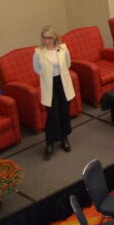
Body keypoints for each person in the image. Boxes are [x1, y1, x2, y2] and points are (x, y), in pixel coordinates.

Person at [33, 25, 75, 160]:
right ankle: (49, 143)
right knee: (52, 115)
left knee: (64, 112)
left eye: (50, 38)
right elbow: (37, 69)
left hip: (63, 84)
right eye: (44, 38)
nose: (47, 41)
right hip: (49, 85)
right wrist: (48, 75)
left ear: (55, 37)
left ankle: (64, 138)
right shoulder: (38, 52)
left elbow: (68, 64)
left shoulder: (63, 49)